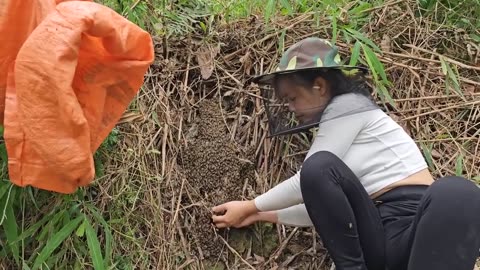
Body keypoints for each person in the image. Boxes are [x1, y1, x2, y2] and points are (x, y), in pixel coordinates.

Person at [211, 37, 480, 270]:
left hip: (417, 233)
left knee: (457, 192)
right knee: (320, 169)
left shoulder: (349, 107)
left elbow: (303, 181)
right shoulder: (336, 135)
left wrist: (251, 205)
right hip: (377, 234)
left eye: (293, 98)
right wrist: (262, 215)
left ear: (319, 86)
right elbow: (324, 202)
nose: (290, 108)